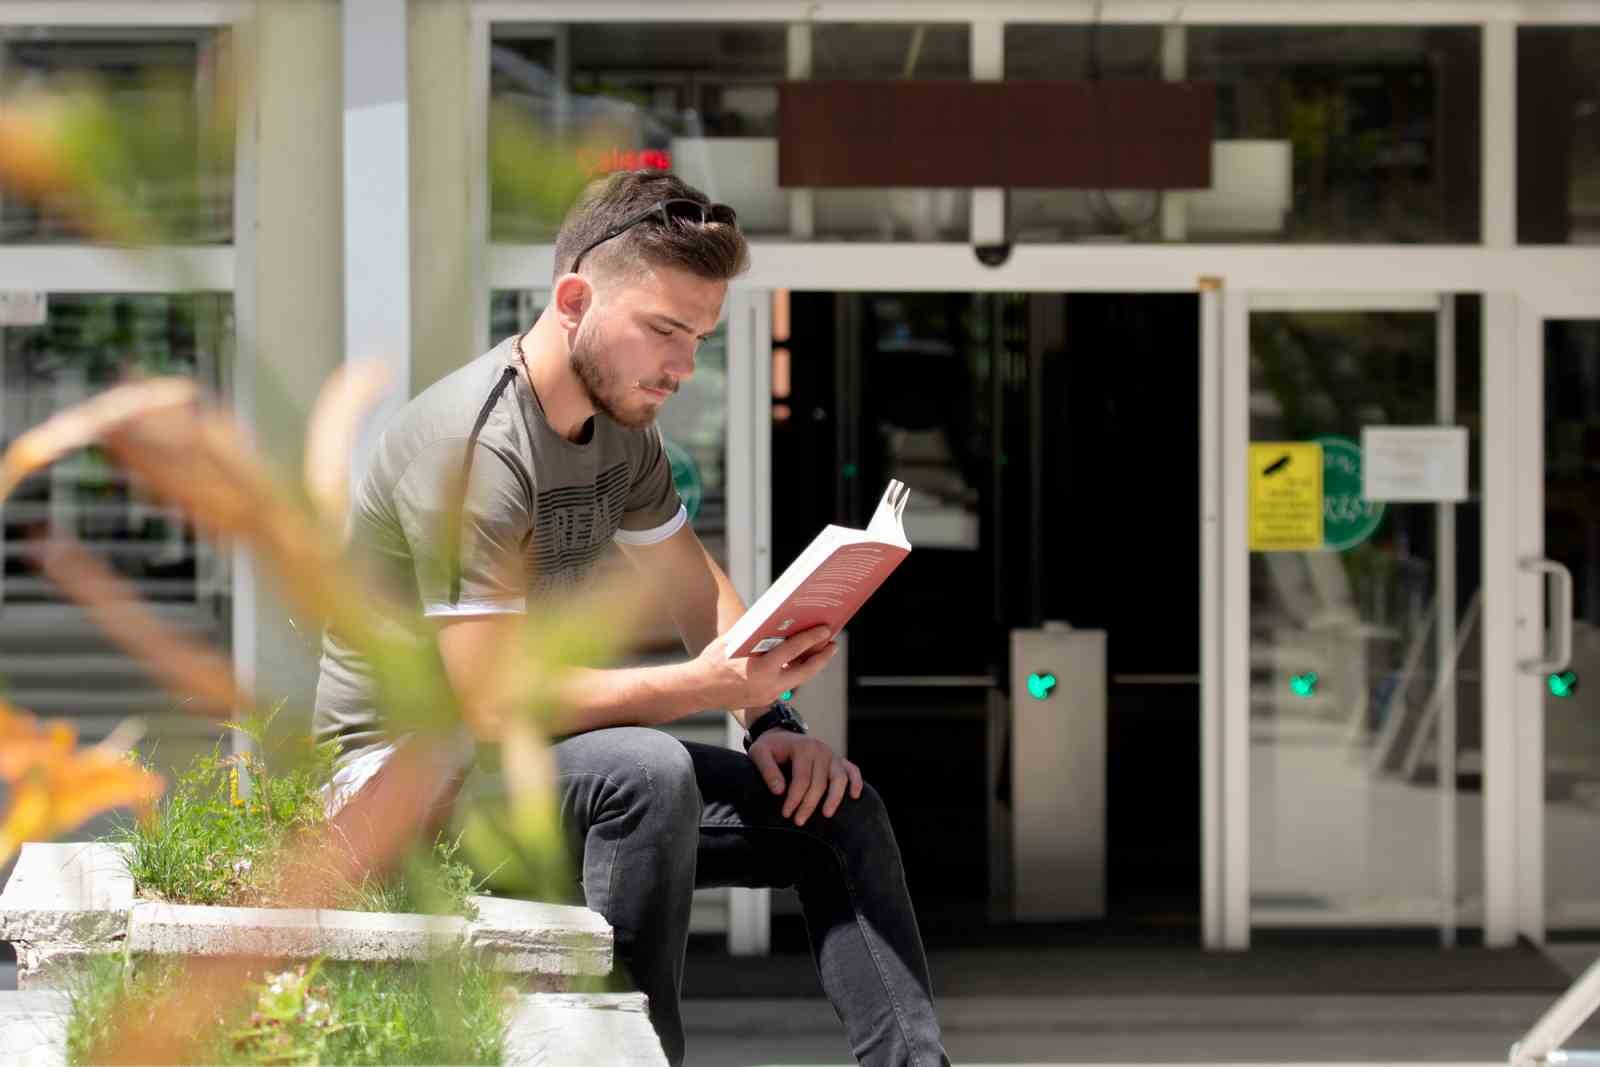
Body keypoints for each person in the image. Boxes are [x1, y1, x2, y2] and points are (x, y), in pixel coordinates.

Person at [312, 169, 950, 1067]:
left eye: (699, 338)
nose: (684, 367)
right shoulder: (478, 447)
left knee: (836, 805)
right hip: (400, 783)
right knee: (644, 773)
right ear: (574, 298)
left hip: (524, 768)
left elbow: (697, 596)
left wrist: (772, 718)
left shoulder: (627, 434)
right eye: (664, 330)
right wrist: (706, 684)